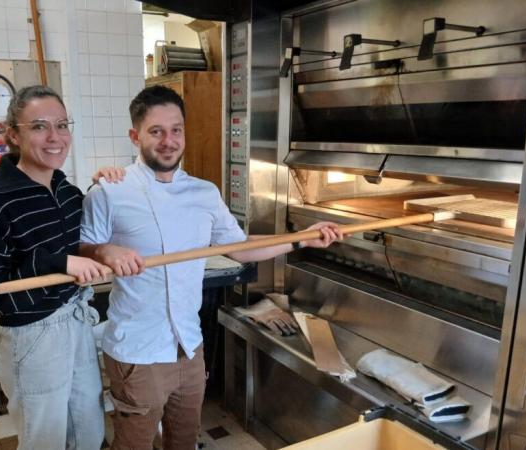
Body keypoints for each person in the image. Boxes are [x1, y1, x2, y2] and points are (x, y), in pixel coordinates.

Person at [79, 85, 343, 449]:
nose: (169, 141)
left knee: (184, 441)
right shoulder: (109, 192)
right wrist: (105, 250)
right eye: (156, 131)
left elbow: (241, 250)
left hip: (189, 345)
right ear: (135, 136)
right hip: (138, 352)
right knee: (134, 444)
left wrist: (303, 239)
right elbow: (83, 248)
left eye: (176, 130)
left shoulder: (204, 193)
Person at [0, 85, 121, 450]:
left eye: (62, 125)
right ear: (13, 134)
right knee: (44, 441)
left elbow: (86, 244)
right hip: (32, 335)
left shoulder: (66, 191)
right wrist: (58, 263)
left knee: (89, 431)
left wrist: (109, 188)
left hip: (76, 322)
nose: (55, 137)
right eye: (40, 126)